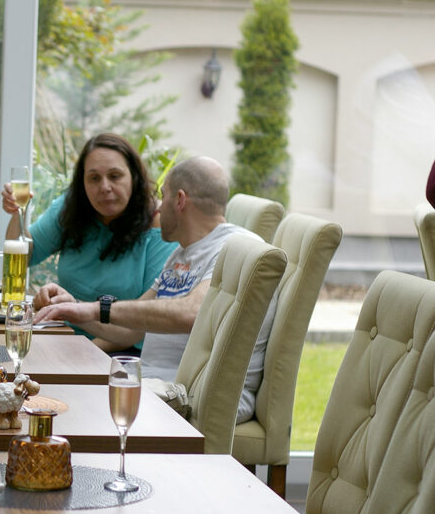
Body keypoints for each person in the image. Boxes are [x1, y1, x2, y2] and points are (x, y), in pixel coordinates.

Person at [35, 156, 274, 423]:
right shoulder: (183, 253)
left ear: (179, 200)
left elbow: (193, 313)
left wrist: (96, 308)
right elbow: (131, 330)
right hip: (154, 384)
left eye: (163, 196)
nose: (158, 208)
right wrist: (74, 308)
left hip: (186, 395)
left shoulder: (234, 247)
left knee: (62, 406)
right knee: (43, 388)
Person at [1, 133, 177, 351]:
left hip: (119, 352)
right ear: (82, 182)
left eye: (115, 176)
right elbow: (24, 256)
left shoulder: (158, 223)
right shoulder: (70, 209)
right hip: (61, 336)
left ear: (134, 177)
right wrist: (16, 212)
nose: (104, 187)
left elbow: (146, 320)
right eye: (94, 178)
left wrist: (85, 353)